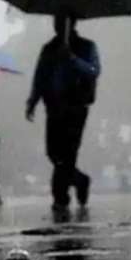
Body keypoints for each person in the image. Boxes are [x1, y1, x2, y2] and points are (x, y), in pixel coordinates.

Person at [26, 15, 100, 212]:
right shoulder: (48, 48)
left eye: (61, 22)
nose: (57, 25)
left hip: (76, 105)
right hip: (53, 106)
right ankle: (80, 180)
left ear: (71, 23)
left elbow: (93, 71)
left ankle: (60, 196)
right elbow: (40, 76)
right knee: (53, 151)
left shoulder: (86, 46)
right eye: (55, 21)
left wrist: (72, 58)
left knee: (67, 153)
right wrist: (33, 100)